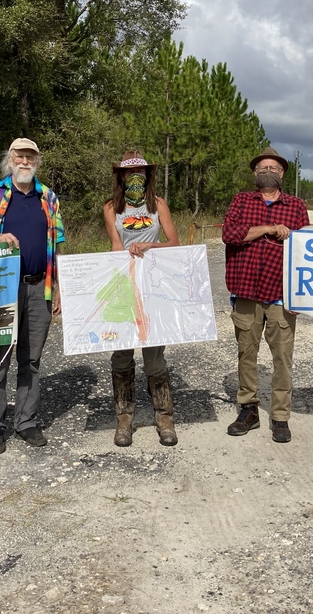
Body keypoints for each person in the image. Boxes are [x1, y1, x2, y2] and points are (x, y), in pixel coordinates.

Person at [0, 138, 64, 454]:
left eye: (30, 157)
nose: (25, 161)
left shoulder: (48, 197)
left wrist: (58, 287)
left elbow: (56, 245)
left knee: (31, 359)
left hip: (40, 287)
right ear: (10, 159)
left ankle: (26, 422)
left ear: (37, 161)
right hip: (1, 289)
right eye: (20, 156)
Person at [222, 146, 309, 443]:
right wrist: (269, 229)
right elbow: (230, 234)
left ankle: (280, 416)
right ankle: (248, 409)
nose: (267, 171)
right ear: (255, 173)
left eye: (273, 167)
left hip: (281, 295)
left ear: (283, 173)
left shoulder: (296, 207)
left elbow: (306, 254)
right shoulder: (241, 201)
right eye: (262, 167)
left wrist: (300, 295)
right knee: (247, 354)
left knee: (282, 357)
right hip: (246, 292)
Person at [103, 151, 181, 447]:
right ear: (120, 176)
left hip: (154, 284)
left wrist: (150, 244)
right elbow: (114, 244)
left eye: (140, 172)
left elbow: (174, 242)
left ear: (148, 175)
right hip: (124, 283)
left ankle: (164, 417)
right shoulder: (111, 207)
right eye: (128, 173)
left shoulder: (158, 204)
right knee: (122, 351)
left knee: (154, 353)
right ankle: (124, 419)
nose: (134, 177)